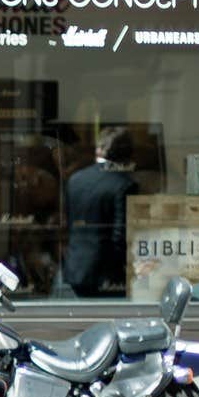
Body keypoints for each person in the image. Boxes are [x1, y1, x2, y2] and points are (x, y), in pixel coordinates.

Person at [62, 128, 141, 299]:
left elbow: (68, 223)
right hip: (108, 274)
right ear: (126, 153)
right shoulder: (124, 185)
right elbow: (120, 236)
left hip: (75, 268)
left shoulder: (75, 179)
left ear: (99, 149)